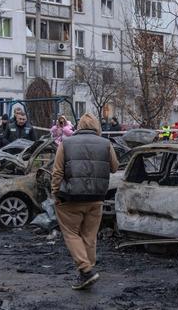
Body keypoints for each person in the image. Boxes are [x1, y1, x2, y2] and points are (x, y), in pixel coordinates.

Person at [51, 113, 119, 290]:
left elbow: (57, 172)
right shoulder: (106, 144)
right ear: (97, 127)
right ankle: (87, 272)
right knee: (89, 236)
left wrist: (55, 193)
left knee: (71, 234)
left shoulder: (66, 143)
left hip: (71, 198)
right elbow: (115, 167)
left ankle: (85, 270)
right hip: (97, 197)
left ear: (78, 126)